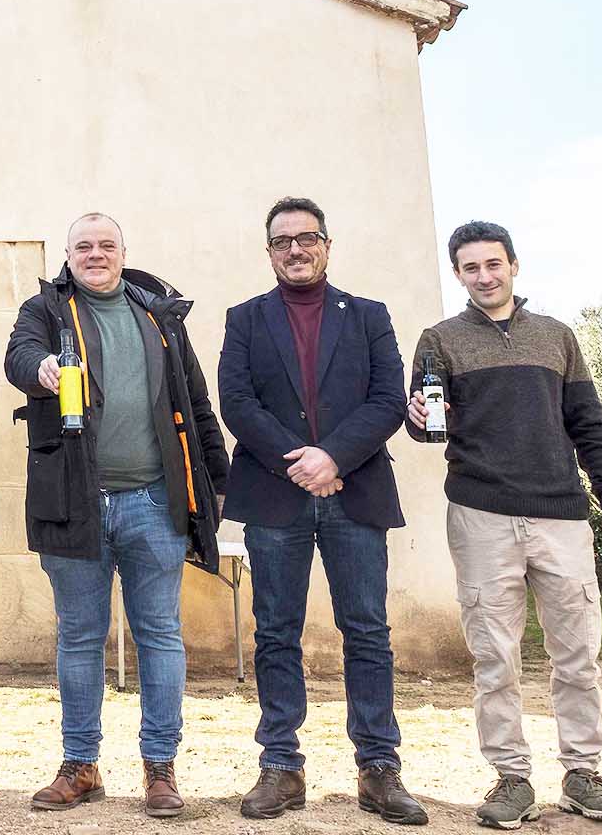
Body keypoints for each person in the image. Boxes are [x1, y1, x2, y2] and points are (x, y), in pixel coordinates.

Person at [408, 222, 602, 831]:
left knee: (578, 653)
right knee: (494, 657)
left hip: (561, 512)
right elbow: (428, 427)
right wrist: (417, 418)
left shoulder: (556, 337)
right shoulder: (439, 339)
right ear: (457, 274)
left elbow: (589, 423)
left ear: (514, 265)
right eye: (470, 268)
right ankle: (511, 778)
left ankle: (583, 773)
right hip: (481, 513)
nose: (484, 276)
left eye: (493, 264)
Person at [4, 213, 228, 819]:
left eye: (106, 245)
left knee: (159, 636)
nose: (95, 254)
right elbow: (18, 357)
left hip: (154, 501)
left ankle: (160, 768)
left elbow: (195, 402)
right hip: (74, 501)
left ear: (124, 253)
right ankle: (81, 765)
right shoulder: (46, 310)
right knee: (79, 637)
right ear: (68, 256)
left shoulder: (161, 316)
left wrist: (217, 484)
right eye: (84, 246)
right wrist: (41, 370)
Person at [217, 198, 424, 824]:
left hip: (354, 492)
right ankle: (281, 766)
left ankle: (378, 768)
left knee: (366, 631)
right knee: (275, 632)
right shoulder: (246, 318)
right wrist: (300, 462)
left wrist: (332, 458)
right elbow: (236, 400)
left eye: (306, 239)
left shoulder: (368, 317)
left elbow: (390, 398)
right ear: (269, 251)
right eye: (282, 242)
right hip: (276, 497)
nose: (295, 250)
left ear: (327, 244)